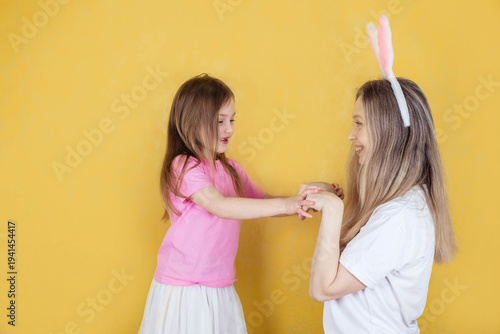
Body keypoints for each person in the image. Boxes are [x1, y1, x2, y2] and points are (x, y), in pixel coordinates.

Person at [138, 73, 318, 334]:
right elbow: (219, 205)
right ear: (190, 123)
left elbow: (265, 202)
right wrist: (287, 205)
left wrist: (301, 201)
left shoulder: (231, 169)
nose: (229, 129)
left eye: (231, 120)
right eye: (220, 121)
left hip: (219, 285)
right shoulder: (184, 166)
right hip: (185, 288)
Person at [303, 78, 457, 333]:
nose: (350, 135)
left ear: (389, 131)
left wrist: (332, 210)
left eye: (359, 124)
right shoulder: (404, 203)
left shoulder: (399, 216)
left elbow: (323, 288)